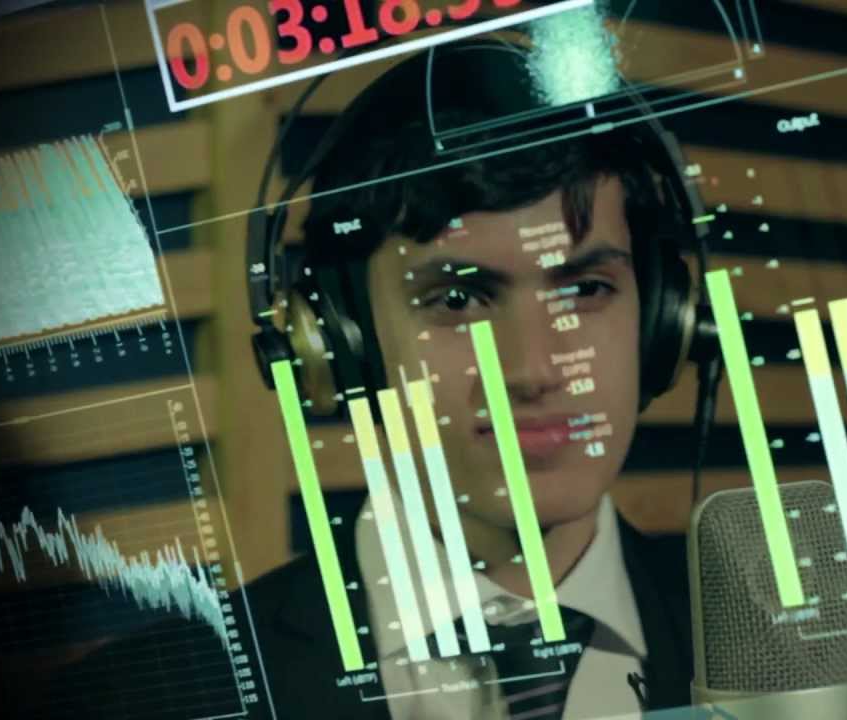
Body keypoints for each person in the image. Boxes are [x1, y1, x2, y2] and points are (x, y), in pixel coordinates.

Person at [45, 40, 698, 720]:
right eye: (456, 299)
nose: (533, 370)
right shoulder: (138, 703)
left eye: (586, 289)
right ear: (339, 341)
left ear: (662, 321)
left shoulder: (765, 630)